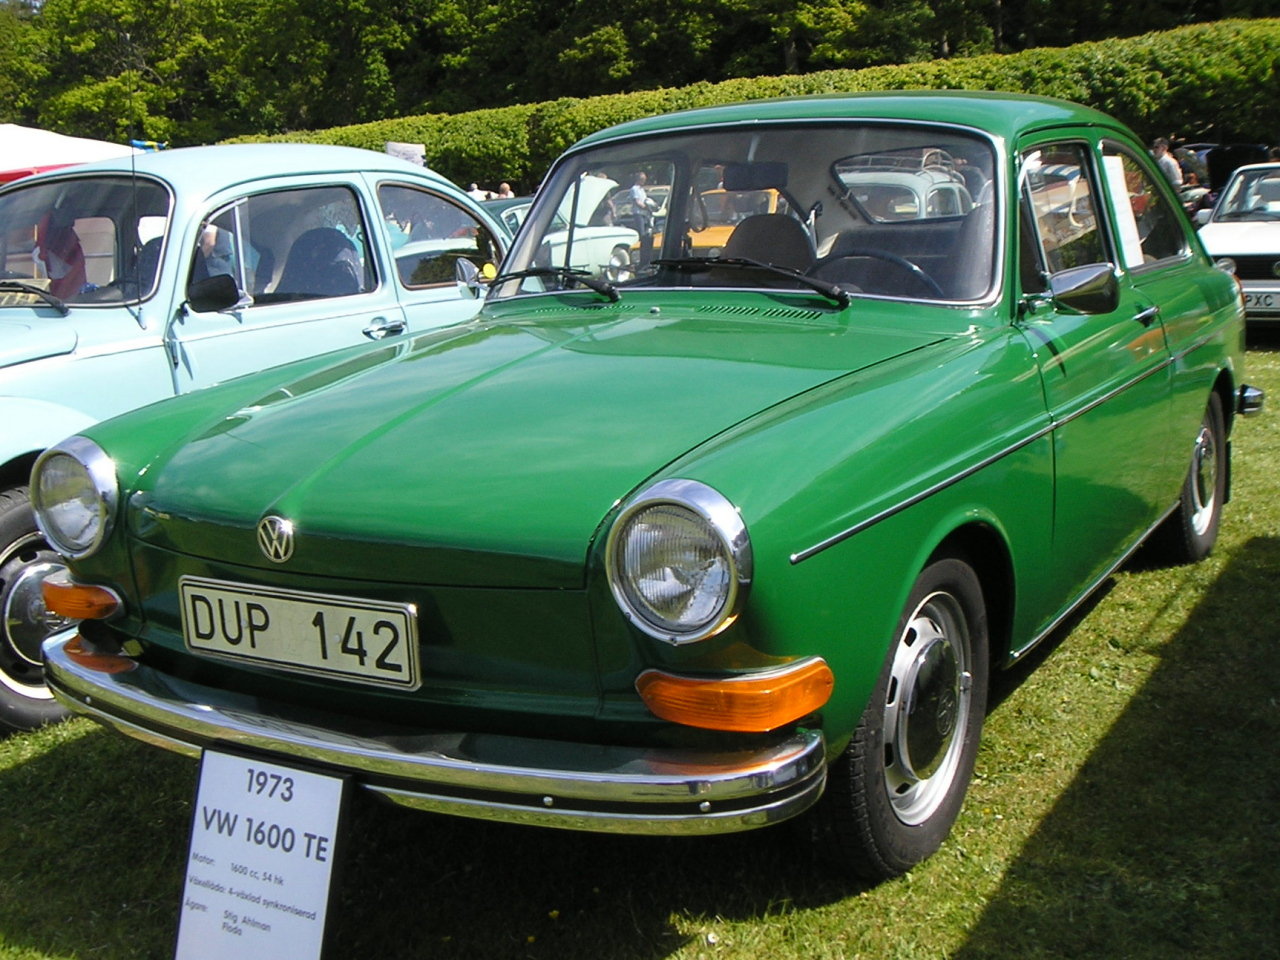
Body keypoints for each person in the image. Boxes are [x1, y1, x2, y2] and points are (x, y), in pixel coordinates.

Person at [629, 171, 658, 264]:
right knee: (642, 235)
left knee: (647, 235)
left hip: (645, 215)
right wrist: (647, 208)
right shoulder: (634, 189)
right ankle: (640, 257)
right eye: (643, 179)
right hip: (639, 214)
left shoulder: (642, 190)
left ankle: (647, 256)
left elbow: (645, 200)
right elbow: (637, 202)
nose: (644, 181)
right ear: (639, 179)